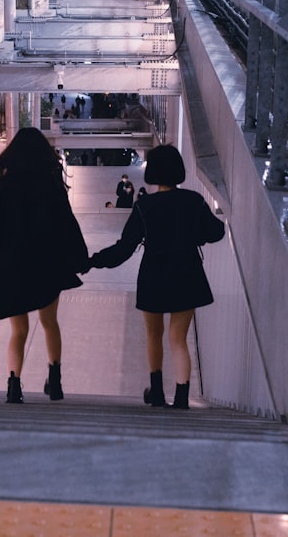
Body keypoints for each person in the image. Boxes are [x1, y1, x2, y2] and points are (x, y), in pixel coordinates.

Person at [88, 145, 225, 409]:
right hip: (187, 273)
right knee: (178, 338)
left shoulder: (144, 206)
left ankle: (158, 393)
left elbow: (124, 249)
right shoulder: (193, 200)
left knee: (154, 335)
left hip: (154, 276)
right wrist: (192, 234)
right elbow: (216, 232)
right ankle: (183, 397)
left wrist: (94, 261)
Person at [0, 127, 89, 403]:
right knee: (50, 323)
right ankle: (56, 381)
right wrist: (80, 257)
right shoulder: (51, 186)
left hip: (11, 265)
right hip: (47, 265)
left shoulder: (2, 186)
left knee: (19, 330)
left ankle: (14, 386)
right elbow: (67, 224)